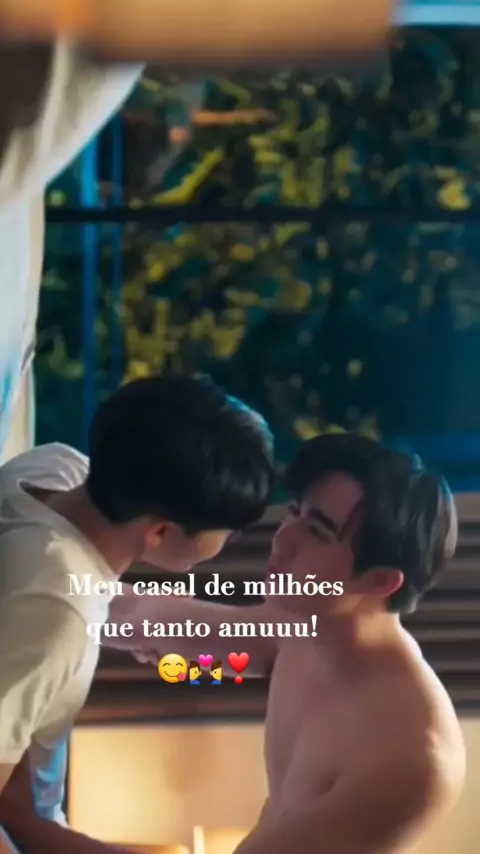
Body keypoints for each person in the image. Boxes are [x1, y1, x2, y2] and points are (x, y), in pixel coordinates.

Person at [107, 433, 465, 854]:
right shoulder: (303, 627)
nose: (283, 539)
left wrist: (41, 832)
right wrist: (54, 578)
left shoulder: (408, 754)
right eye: (295, 512)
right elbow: (139, 616)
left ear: (379, 581)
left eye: (317, 531)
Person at [0, 373, 275, 854]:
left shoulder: (54, 469)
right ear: (161, 532)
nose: (228, 542)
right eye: (227, 531)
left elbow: (95, 596)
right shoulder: (58, 615)